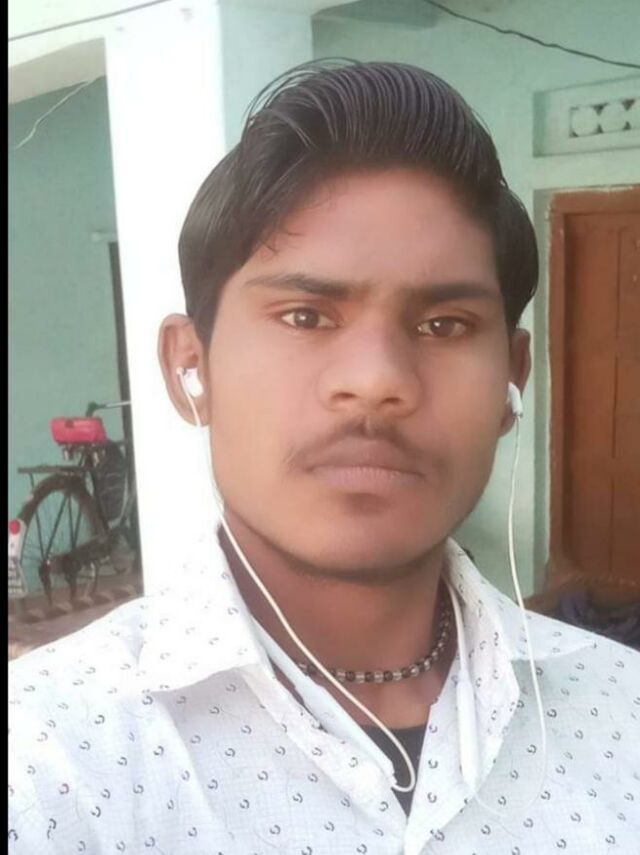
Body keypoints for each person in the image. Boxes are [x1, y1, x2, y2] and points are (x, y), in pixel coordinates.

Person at [9, 61, 639, 854]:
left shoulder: (619, 710)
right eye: (305, 315)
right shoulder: (51, 759)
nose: (376, 381)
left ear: (512, 378)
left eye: (444, 325)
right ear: (189, 366)